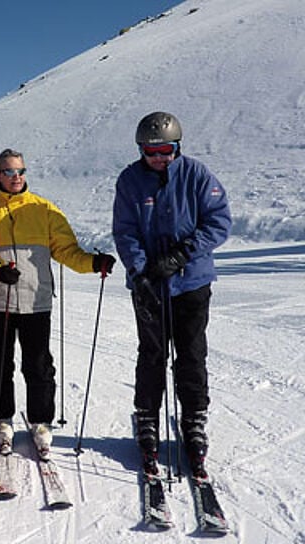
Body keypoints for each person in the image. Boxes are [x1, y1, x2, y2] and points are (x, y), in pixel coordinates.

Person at [0, 149, 116, 455]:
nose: (16, 177)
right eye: (9, 172)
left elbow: (66, 251)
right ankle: (2, 418)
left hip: (36, 301)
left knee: (38, 365)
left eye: (21, 171)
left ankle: (40, 421)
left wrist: (93, 263)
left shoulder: (43, 209)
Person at [112, 112, 231, 478]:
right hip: (149, 285)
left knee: (191, 354)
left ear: (178, 147)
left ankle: (194, 418)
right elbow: (125, 230)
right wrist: (141, 269)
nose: (159, 158)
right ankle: (147, 417)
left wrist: (182, 253)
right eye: (151, 151)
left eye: (166, 150)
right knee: (152, 354)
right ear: (141, 150)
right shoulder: (130, 180)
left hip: (191, 283)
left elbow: (219, 222)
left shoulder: (197, 175)